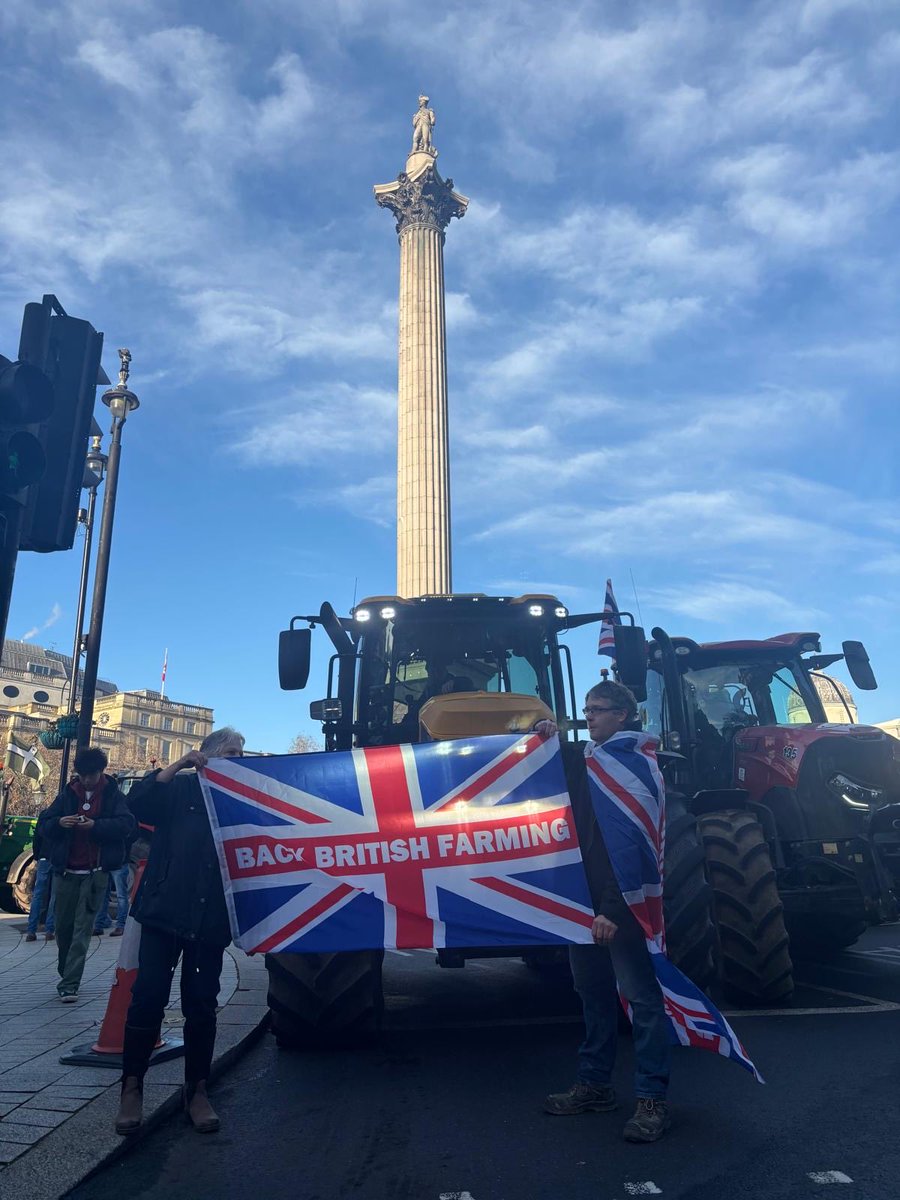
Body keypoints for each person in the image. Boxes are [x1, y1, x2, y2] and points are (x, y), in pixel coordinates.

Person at [539, 681, 672, 1143]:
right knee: (592, 995)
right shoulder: (588, 760)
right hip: (582, 903)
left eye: (598, 709)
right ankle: (595, 1085)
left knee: (641, 999)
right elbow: (553, 761)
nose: (589, 715)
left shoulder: (637, 766)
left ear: (623, 715)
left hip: (623, 908)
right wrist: (545, 733)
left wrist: (613, 909)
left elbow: (634, 845)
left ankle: (652, 1099)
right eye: (587, 708)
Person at [115, 727, 245, 1137]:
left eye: (241, 754)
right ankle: (132, 1088)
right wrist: (177, 766)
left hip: (210, 919)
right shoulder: (181, 788)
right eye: (231, 752)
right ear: (207, 755)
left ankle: (198, 1090)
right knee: (147, 999)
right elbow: (137, 803)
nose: (238, 759)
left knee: (201, 1004)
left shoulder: (240, 799)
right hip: (164, 913)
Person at [37, 748, 135, 1001]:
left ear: (101, 772)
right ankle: (66, 970)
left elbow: (126, 825)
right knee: (63, 928)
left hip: (96, 872)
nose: (86, 780)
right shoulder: (68, 793)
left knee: (83, 928)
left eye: (91, 775)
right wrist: (60, 823)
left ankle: (70, 983)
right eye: (82, 775)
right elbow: (45, 823)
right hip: (66, 870)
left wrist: (96, 826)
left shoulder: (113, 795)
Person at [25, 821, 56, 942]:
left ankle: (31, 931)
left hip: (43, 857)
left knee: (37, 895)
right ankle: (49, 930)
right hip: (57, 859)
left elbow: (37, 838)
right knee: (54, 896)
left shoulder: (44, 816)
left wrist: (38, 856)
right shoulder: (65, 815)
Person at [92, 861, 131, 937]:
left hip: (119, 863)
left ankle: (120, 926)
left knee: (121, 896)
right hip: (105, 864)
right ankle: (98, 926)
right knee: (103, 896)